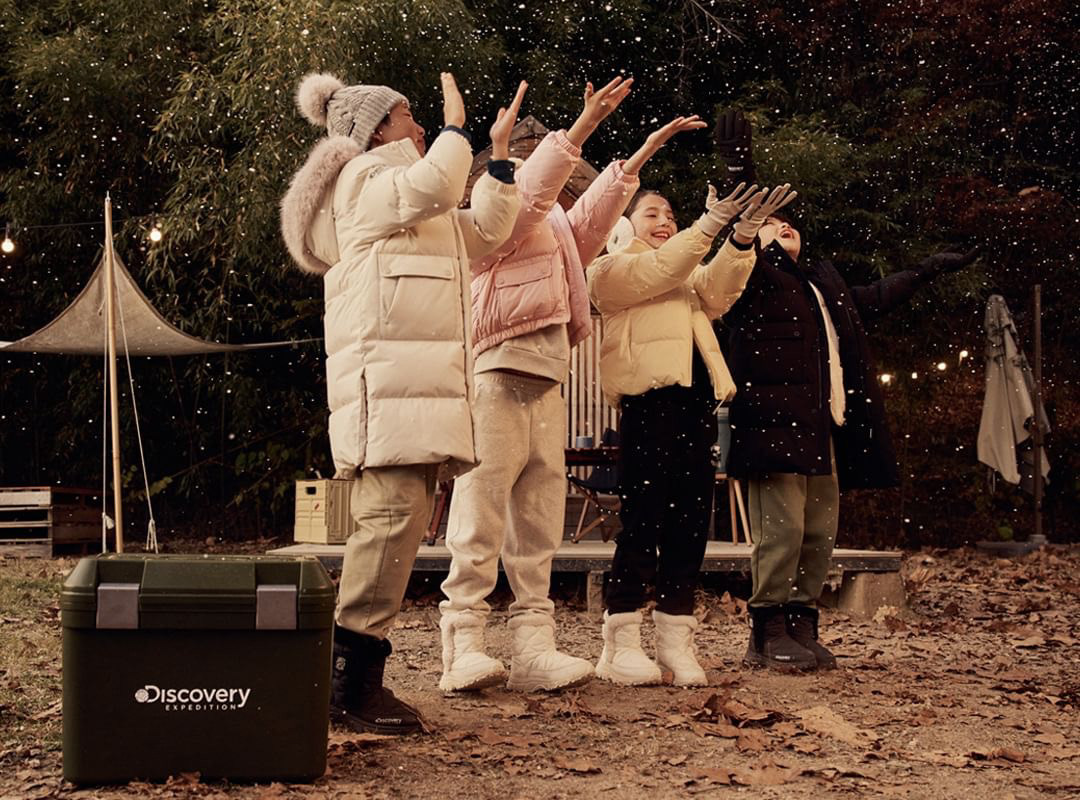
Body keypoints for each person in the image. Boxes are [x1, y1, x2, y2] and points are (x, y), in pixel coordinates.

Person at [280, 71, 524, 733]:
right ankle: (347, 683)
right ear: (376, 129)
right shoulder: (363, 180)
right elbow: (439, 183)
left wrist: (499, 159)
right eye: (409, 116)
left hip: (406, 391)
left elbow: (486, 229)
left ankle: (350, 678)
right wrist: (455, 127)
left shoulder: (403, 197)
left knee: (398, 520)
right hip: (387, 392)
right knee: (390, 520)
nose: (419, 126)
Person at [714, 110, 979, 672]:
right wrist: (740, 172)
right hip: (772, 425)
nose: (783, 225)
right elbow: (735, 245)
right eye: (771, 222)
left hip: (824, 425)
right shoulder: (750, 278)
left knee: (817, 533)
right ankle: (766, 631)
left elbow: (874, 298)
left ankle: (801, 622)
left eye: (789, 220)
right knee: (781, 531)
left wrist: (926, 270)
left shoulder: (821, 283)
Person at [439, 77, 644, 693]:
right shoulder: (487, 222)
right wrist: (582, 127)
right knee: (479, 515)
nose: (531, 179)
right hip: (497, 372)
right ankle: (462, 643)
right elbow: (530, 197)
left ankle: (533, 646)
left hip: (548, 379)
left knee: (538, 520)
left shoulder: (547, 225)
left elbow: (586, 227)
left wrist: (631, 166)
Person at [586, 161, 797, 686]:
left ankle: (675, 640)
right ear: (625, 225)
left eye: (671, 215)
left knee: (688, 525)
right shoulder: (609, 270)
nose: (664, 220)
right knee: (643, 522)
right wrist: (709, 225)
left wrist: (742, 235)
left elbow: (719, 290)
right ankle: (620, 642)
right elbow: (659, 270)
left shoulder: (685, 273)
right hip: (648, 406)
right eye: (651, 213)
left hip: (695, 407)